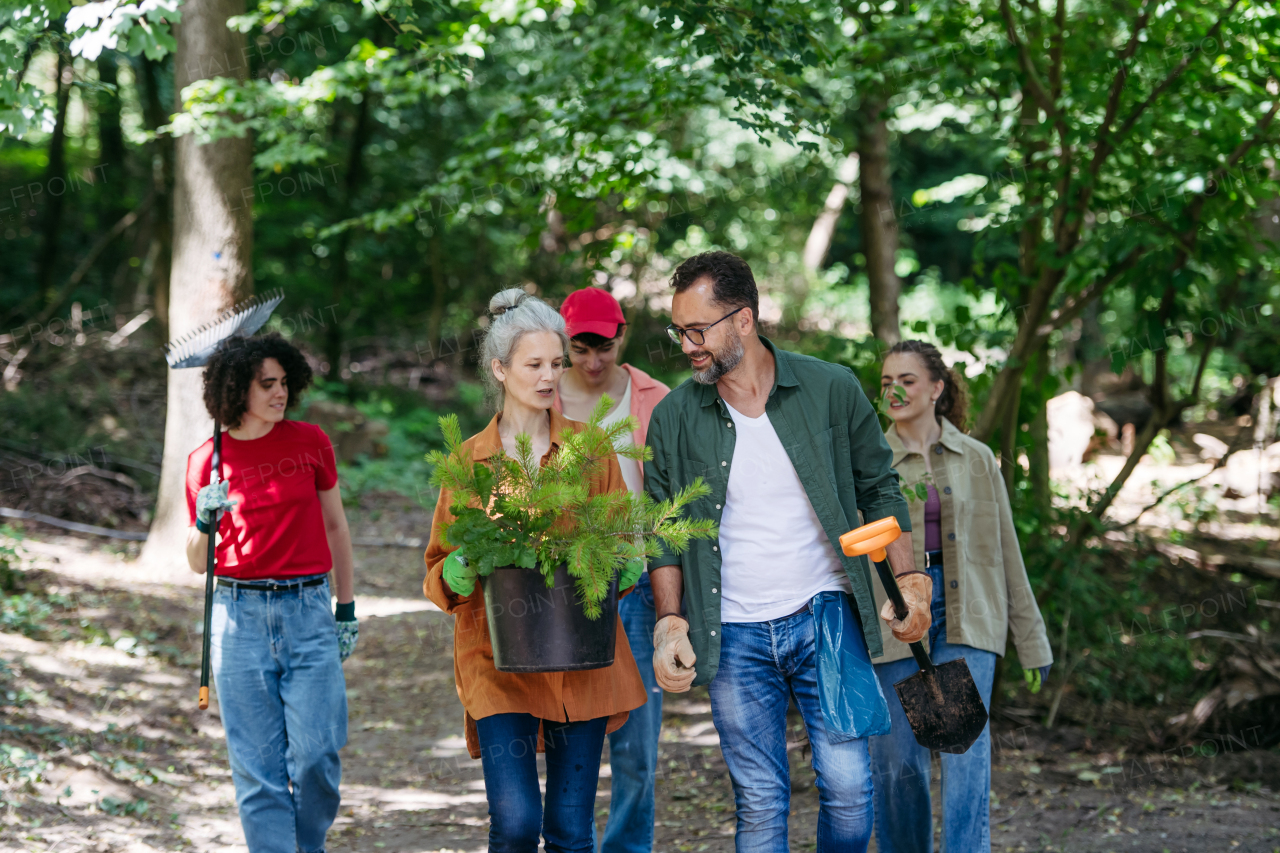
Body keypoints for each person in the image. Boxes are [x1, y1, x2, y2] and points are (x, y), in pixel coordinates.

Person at [642, 251, 933, 853]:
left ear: (744, 320)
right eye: (680, 331)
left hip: (826, 615)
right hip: (733, 632)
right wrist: (670, 621)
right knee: (760, 803)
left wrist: (911, 584)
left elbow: (880, 488)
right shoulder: (673, 417)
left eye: (699, 330)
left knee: (852, 794)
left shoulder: (830, 389)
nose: (687, 345)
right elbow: (662, 532)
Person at [423, 288, 647, 853]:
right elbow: (435, 567)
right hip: (498, 659)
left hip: (581, 656)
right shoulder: (468, 462)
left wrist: (624, 562)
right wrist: (454, 570)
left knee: (571, 832)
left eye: (556, 362)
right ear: (500, 369)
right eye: (534, 364)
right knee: (517, 824)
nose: (549, 376)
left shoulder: (591, 451)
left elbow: (620, 541)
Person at [870, 339, 1053, 853]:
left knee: (963, 756)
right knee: (897, 764)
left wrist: (1031, 640)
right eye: (886, 382)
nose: (895, 390)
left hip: (967, 617)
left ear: (936, 388)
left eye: (906, 380)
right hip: (895, 620)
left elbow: (1007, 552)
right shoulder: (869, 460)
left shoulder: (976, 459)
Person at [185, 332, 357, 853]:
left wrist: (345, 608)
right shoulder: (206, 461)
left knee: (317, 756)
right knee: (257, 770)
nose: (280, 393)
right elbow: (197, 563)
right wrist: (204, 520)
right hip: (237, 618)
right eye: (267, 385)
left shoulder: (310, 441)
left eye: (284, 382)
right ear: (238, 390)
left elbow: (336, 528)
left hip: (308, 610)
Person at [553, 286, 671, 853]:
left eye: (604, 347)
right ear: (563, 343)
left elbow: (677, 494)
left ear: (621, 337)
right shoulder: (543, 399)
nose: (594, 361)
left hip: (640, 585)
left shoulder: (655, 397)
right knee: (568, 730)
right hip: (562, 587)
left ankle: (625, 847)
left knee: (637, 744)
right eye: (580, 349)